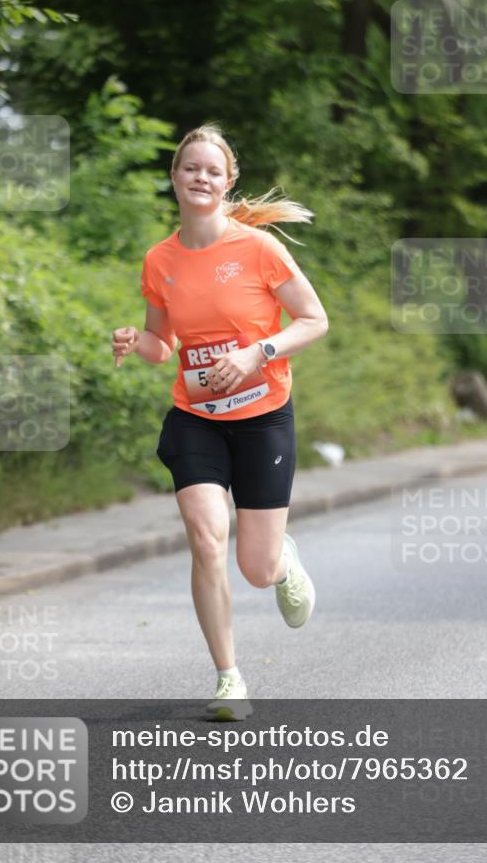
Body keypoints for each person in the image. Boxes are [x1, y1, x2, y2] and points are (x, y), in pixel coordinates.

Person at [111, 123, 328, 721]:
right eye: (190, 168)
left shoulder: (259, 249)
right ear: (174, 177)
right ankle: (229, 679)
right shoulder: (161, 259)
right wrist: (136, 340)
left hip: (263, 418)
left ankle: (281, 563)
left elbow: (314, 320)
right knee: (207, 539)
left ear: (228, 182)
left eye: (212, 170)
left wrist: (259, 352)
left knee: (255, 568)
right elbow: (162, 343)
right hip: (196, 418)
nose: (200, 178)